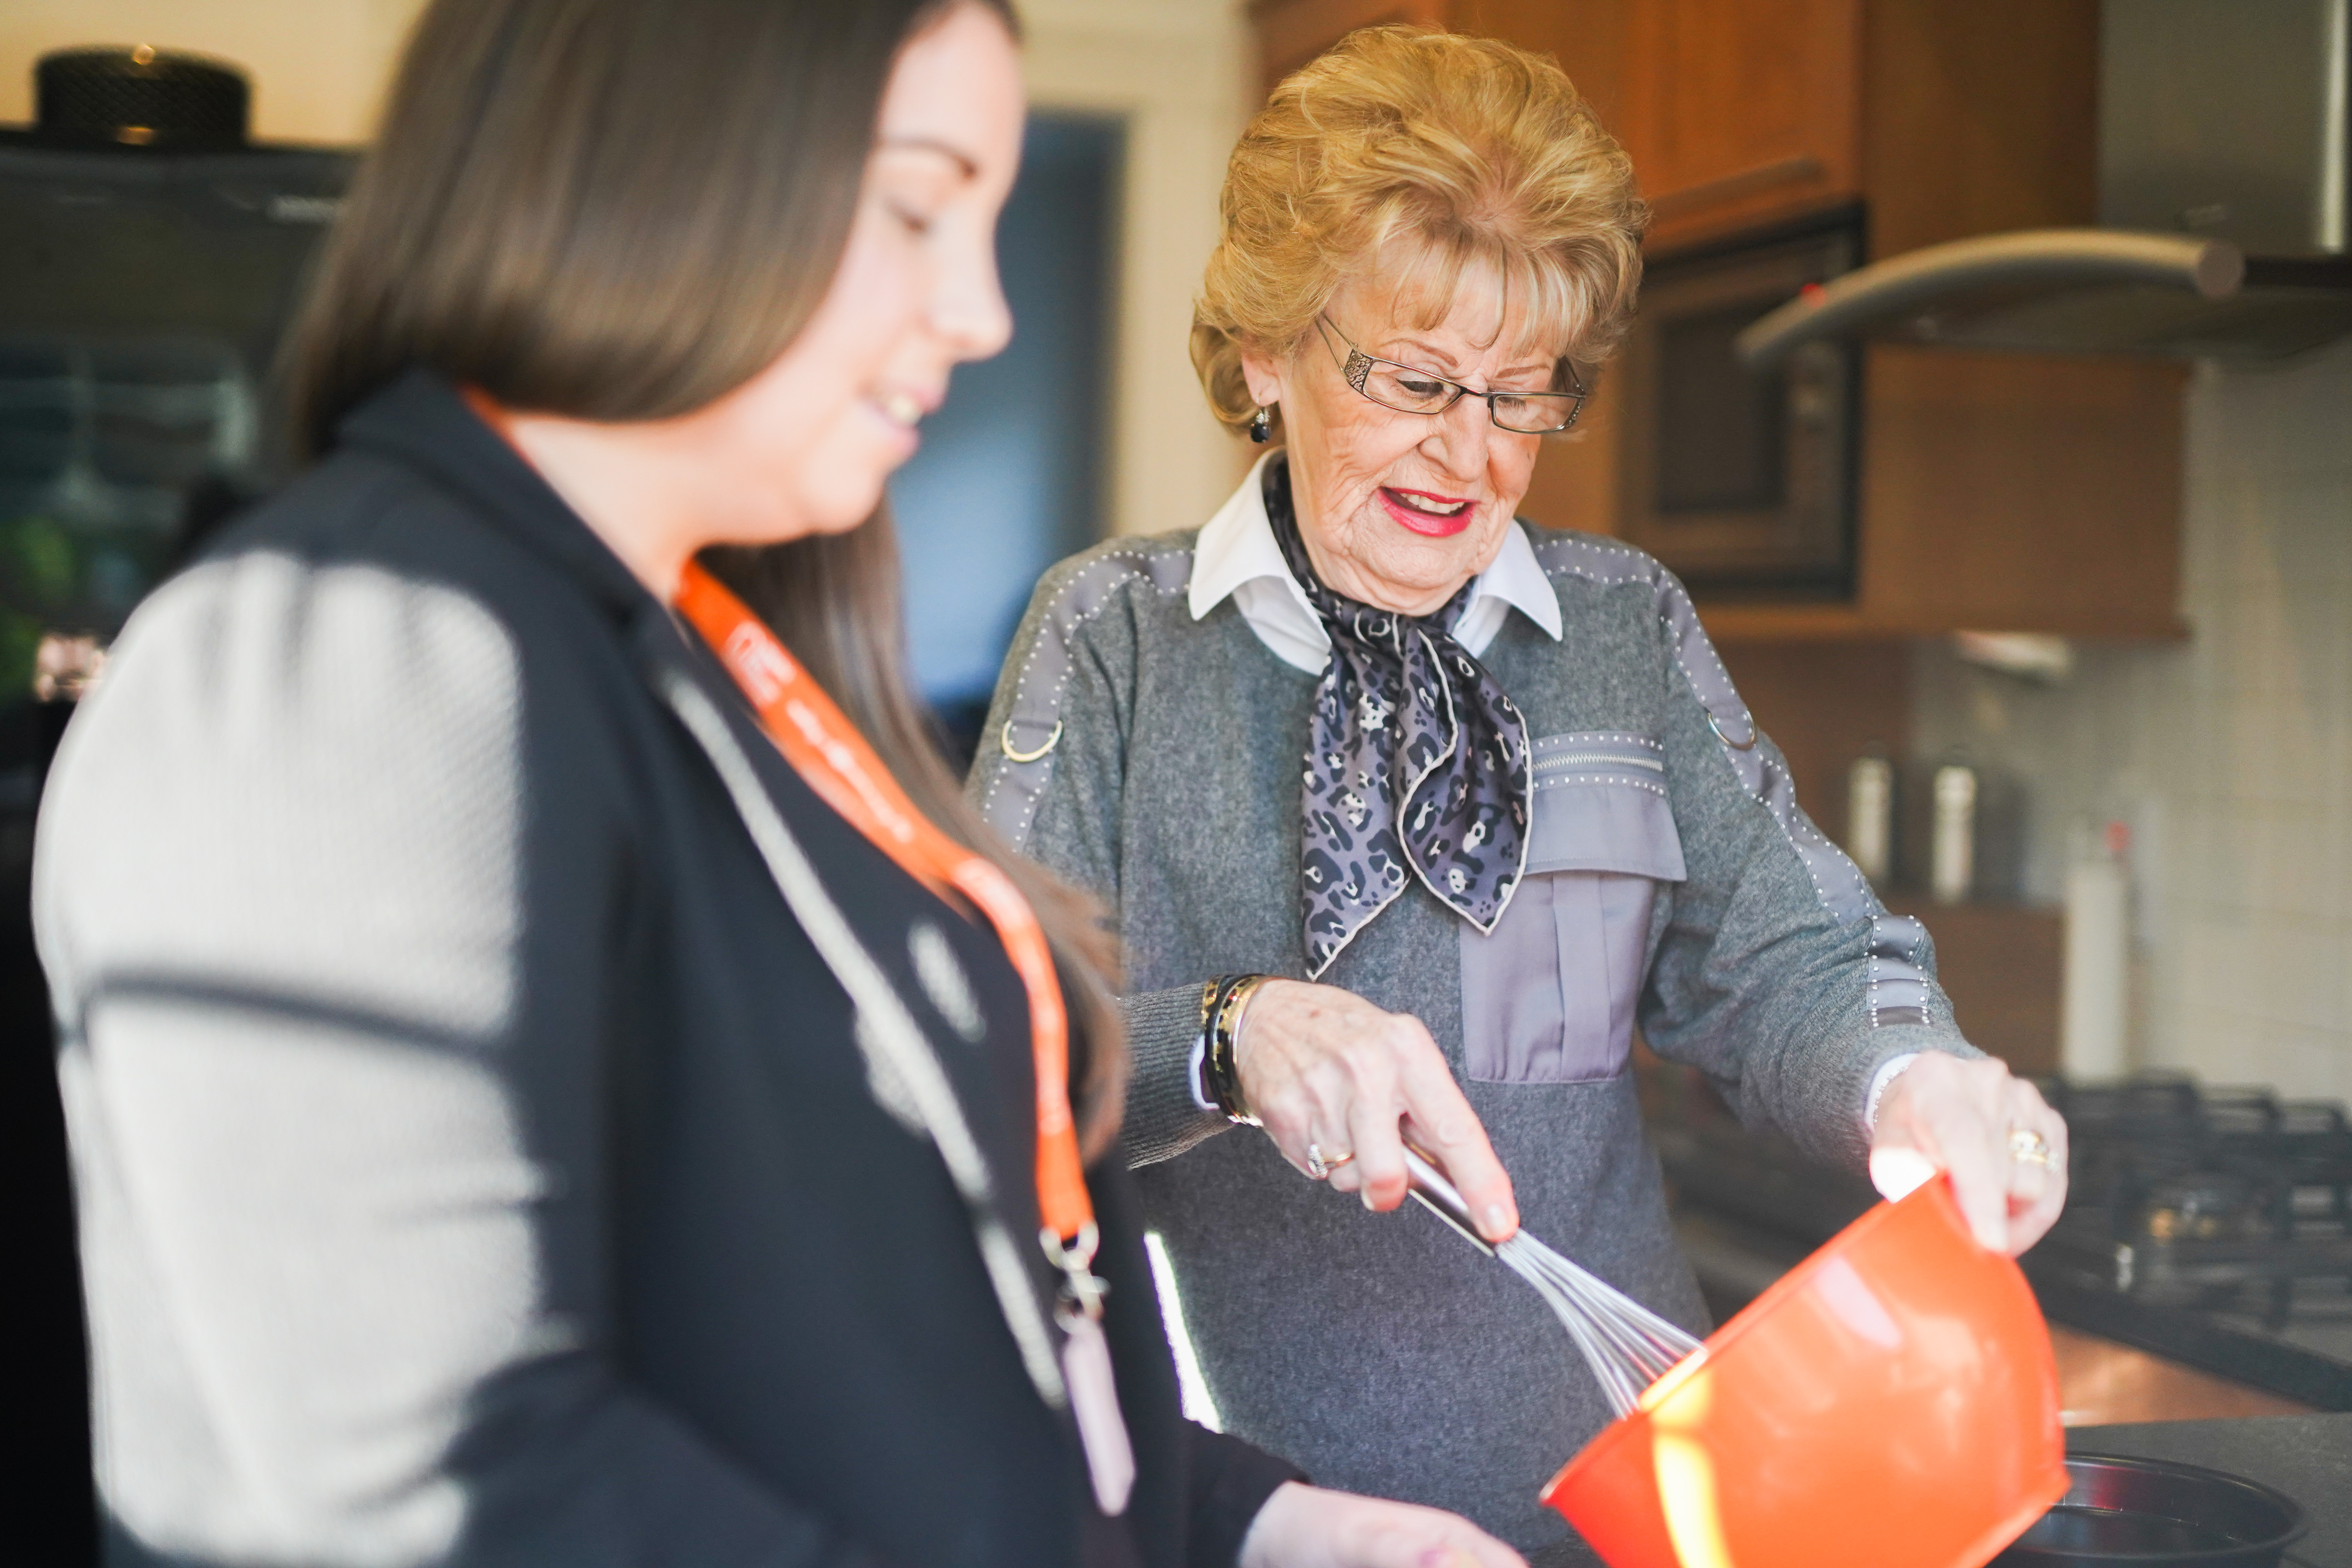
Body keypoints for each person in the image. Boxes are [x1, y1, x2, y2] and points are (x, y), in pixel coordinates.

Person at [31, 4, 1529, 1565]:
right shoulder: (346, 659)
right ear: (649, 159)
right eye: (913, 205)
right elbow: (432, 1480)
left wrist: (1266, 1528)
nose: (980, 311)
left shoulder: (746, 669)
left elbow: (886, 1340)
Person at [971, 26, 2072, 1564]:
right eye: (1415, 379)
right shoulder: (1113, 637)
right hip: (1261, 1522)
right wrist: (1231, 1033)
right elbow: (986, 1041)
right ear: (1264, 353)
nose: (1471, 454)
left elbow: (1793, 958)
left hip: (1635, 1513)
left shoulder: (1623, 631)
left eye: (1525, 393)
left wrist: (1913, 1079)